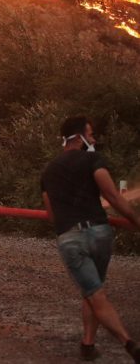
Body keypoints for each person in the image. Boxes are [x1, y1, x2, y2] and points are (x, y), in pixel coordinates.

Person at [41, 116, 140, 362]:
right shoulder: (93, 160)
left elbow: (51, 214)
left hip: (70, 238)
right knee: (95, 290)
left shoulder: (48, 171)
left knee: (93, 292)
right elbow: (114, 198)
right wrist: (138, 223)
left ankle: (123, 344)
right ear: (79, 137)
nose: (94, 139)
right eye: (91, 134)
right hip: (99, 233)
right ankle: (95, 344)